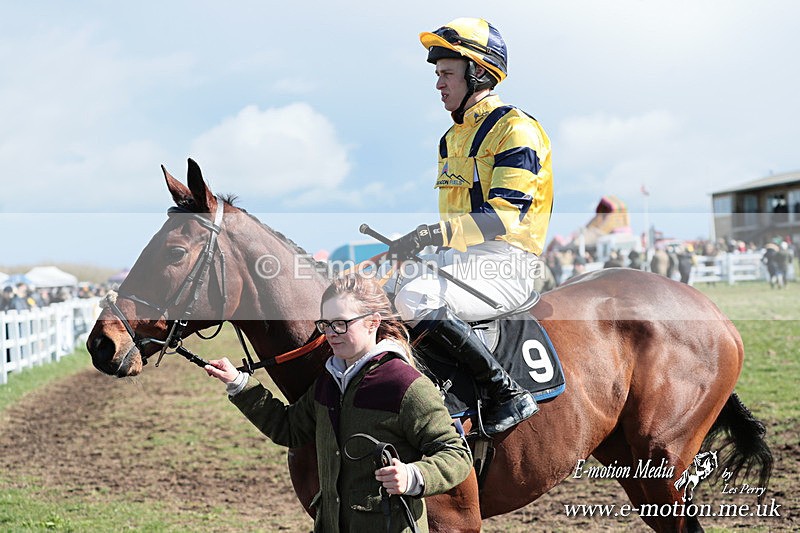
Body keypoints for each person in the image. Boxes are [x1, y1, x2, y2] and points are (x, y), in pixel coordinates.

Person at [385, 17, 553, 434]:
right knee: (374, 296)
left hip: (507, 262)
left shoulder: (517, 129)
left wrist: (429, 235)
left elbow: (500, 218)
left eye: (446, 74)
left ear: (477, 72)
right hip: (459, 259)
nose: (439, 84)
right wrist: (423, 246)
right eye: (437, 74)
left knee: (416, 296)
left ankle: (506, 393)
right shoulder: (450, 138)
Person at [205, 274, 472, 532]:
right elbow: (289, 428)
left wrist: (413, 476)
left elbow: (456, 454)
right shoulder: (328, 381)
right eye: (326, 324)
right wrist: (239, 383)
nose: (332, 333)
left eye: (342, 323)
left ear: (373, 322)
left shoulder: (405, 385)